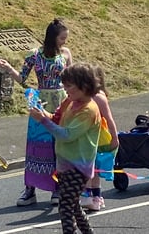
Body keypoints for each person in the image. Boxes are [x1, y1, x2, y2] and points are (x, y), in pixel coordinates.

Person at [0, 18, 73, 207]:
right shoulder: (34, 54)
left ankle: (58, 187)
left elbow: (72, 79)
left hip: (61, 102)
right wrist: (8, 68)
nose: (65, 42)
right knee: (37, 147)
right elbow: (22, 78)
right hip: (40, 102)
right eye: (62, 38)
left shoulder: (66, 54)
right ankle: (30, 190)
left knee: (58, 148)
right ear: (53, 37)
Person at [29, 62, 101, 234]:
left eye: (69, 86)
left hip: (78, 167)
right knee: (73, 206)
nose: (65, 89)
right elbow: (57, 120)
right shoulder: (71, 102)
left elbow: (67, 134)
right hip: (65, 163)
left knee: (65, 208)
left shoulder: (89, 110)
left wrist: (42, 120)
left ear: (84, 85)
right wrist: (42, 113)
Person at [80, 65, 119, 212]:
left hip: (97, 136)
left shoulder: (98, 96)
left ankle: (93, 197)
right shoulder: (85, 94)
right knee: (88, 167)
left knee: (93, 169)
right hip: (86, 135)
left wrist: (115, 138)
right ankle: (90, 197)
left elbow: (109, 119)